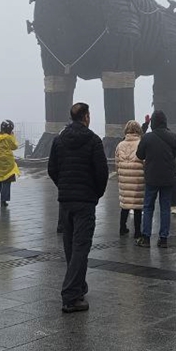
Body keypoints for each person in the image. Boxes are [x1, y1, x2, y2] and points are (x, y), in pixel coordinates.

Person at [47, 102, 109, 313]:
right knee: (81, 247)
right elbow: (102, 173)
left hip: (66, 201)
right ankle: (71, 296)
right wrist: (95, 193)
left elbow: (52, 169)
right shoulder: (93, 140)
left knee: (70, 247)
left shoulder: (59, 140)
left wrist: (63, 186)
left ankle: (79, 286)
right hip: (85, 201)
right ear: (86, 117)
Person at [135, 110, 176, 248]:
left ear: (153, 122)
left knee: (148, 206)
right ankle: (163, 239)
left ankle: (146, 238)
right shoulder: (173, 137)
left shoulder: (148, 137)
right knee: (165, 207)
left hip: (152, 177)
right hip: (168, 177)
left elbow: (139, 155)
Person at [114, 120, 145, 236]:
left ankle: (122, 227)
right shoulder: (141, 144)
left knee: (125, 205)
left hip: (124, 179)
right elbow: (145, 161)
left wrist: (119, 174)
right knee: (137, 207)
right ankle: (137, 231)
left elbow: (116, 164)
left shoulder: (120, 145)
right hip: (138, 179)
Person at [0, 119, 20, 207]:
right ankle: (3, 201)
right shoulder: (8, 137)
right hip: (7, 163)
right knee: (6, 181)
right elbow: (14, 146)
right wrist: (12, 136)